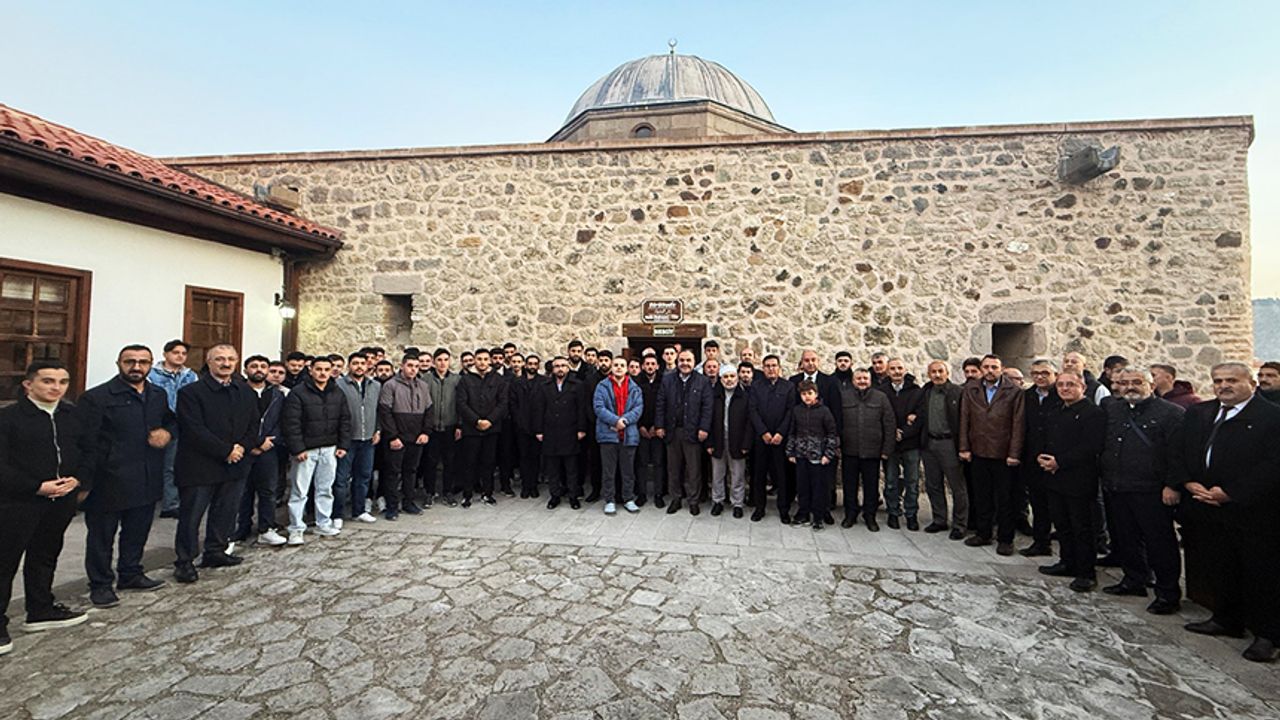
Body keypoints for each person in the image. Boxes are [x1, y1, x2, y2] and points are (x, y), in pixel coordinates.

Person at [1174, 362, 1280, 662]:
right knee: (1220, 566)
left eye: (1232, 380)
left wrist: (1232, 492)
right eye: (1218, 380)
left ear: (1251, 383)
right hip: (1206, 506)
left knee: (1261, 573)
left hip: (1253, 511)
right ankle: (1226, 618)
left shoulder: (1272, 417)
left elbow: (1273, 465)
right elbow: (1180, 449)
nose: (1224, 386)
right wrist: (1188, 482)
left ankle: (1268, 635)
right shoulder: (1200, 412)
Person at [0, 361, 89, 655]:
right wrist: (35, 486)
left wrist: (78, 478)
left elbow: (88, 450)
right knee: (5, 561)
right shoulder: (8, 418)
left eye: (62, 382)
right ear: (29, 384)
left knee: (45, 555)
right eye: (48, 381)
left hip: (61, 499)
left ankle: (40, 609)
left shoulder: (72, 415)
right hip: (18, 502)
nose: (56, 388)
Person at [78, 345, 175, 608]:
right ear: (119, 363)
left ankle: (131, 573)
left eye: (143, 362)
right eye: (130, 361)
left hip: (146, 475)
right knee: (101, 537)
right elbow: (85, 442)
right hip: (108, 479)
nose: (136, 367)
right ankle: (100, 584)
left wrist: (166, 433)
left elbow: (170, 421)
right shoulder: (97, 397)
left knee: (137, 530)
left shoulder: (157, 395)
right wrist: (84, 482)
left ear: (151, 364)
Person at [1100, 369, 1185, 614]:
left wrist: (1173, 485)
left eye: (1137, 382)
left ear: (1151, 384)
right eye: (1124, 383)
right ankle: (1134, 579)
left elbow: (1178, 453)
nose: (1130, 387)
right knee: (1126, 538)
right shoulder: (1113, 409)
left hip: (1152, 489)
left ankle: (1167, 594)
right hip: (1118, 485)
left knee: (1160, 543)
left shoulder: (1171, 413)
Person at [172, 344, 258, 583]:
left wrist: (241, 447)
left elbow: (254, 424)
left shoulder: (246, 392)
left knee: (226, 511)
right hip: (200, 465)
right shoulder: (191, 392)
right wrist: (226, 450)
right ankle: (185, 561)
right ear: (209, 362)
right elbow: (193, 429)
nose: (225, 363)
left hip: (235, 463)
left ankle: (216, 551)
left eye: (230, 359)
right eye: (219, 359)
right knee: (191, 517)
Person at [1035, 372, 1106, 592]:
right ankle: (1067, 562)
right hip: (1055, 477)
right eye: (1061, 385)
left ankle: (1086, 572)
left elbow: (1091, 446)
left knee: (1082, 527)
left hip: (1079, 479)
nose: (1065, 389)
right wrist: (1043, 458)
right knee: (1062, 524)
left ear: (1082, 387)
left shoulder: (1093, 413)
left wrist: (1060, 462)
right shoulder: (1057, 411)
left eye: (1071, 385)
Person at [958, 354, 1026, 555]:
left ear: (1001, 369)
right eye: (986, 367)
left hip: (1003, 453)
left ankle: (1005, 539)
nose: (990, 371)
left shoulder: (1014, 391)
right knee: (982, 496)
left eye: (994, 367)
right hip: (979, 450)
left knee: (1005, 499)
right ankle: (983, 533)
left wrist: (1014, 453)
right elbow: (964, 419)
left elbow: (1018, 424)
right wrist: (964, 447)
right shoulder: (971, 389)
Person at [281, 355, 352, 545]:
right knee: (299, 491)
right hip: (306, 450)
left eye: (326, 369)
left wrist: (343, 445)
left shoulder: (337, 392)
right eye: (318, 369)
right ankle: (296, 528)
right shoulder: (298, 393)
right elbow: (291, 423)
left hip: (329, 448)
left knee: (325, 489)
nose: (322, 373)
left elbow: (345, 420)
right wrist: (298, 448)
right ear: (311, 370)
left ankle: (323, 522)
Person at [233, 355, 288, 547]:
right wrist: (253, 443)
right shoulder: (237, 392)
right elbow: (234, 422)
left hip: (268, 448)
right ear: (245, 370)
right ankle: (242, 528)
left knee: (268, 491)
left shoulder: (277, 395)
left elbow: (282, 421)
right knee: (243, 491)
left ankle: (266, 528)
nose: (259, 369)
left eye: (263, 366)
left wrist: (270, 442)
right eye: (254, 366)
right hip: (243, 448)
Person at [656, 350, 713, 515]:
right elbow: (660, 404)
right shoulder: (667, 380)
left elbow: (707, 407)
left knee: (693, 470)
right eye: (682, 360)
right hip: (672, 431)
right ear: (677, 361)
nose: (685, 363)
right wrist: (659, 425)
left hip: (693, 432)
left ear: (694, 362)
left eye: (688, 360)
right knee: (673, 468)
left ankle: (693, 501)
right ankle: (676, 498)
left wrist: (704, 428)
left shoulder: (703, 381)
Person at [837, 369, 895, 531]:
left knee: (871, 486)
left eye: (865, 378)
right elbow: (836, 422)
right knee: (849, 485)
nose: (862, 381)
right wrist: (837, 445)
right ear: (853, 381)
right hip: (849, 450)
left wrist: (886, 449)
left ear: (870, 380)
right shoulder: (844, 397)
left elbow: (889, 423)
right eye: (859, 378)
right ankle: (850, 514)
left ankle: (870, 516)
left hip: (872, 451)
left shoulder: (880, 397)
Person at [917, 361, 968, 540]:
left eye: (940, 371)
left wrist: (963, 447)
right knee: (933, 484)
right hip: (929, 443)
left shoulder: (957, 392)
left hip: (949, 444)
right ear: (928, 374)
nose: (937, 375)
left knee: (957, 486)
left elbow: (965, 420)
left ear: (947, 373)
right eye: (933, 372)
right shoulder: (926, 392)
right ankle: (939, 519)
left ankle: (960, 524)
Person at [377, 354, 432, 519]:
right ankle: (392, 506)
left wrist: (425, 432)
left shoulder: (423, 386)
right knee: (393, 473)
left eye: (416, 366)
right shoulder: (390, 385)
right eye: (410, 366)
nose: (413, 369)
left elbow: (429, 410)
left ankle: (409, 502)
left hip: (416, 437)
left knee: (411, 471)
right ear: (402, 366)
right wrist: (392, 436)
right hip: (397, 437)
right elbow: (385, 412)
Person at [1016, 359, 1061, 557]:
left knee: (1058, 506)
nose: (1040, 377)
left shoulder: (1062, 395)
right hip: (1033, 458)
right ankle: (1041, 543)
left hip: (1057, 460)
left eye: (1045, 373)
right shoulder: (1027, 396)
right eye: (1035, 373)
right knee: (1038, 503)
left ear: (1055, 375)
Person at [148, 339, 197, 518]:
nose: (180, 356)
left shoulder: (190, 376)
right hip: (159, 423)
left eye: (183, 353)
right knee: (155, 464)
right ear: (166, 354)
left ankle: (172, 503)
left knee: (175, 464)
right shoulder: (152, 374)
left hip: (183, 423)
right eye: (176, 353)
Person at [534, 357, 588, 509]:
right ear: (552, 369)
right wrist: (539, 430)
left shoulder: (577, 385)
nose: (560, 369)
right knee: (553, 468)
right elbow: (539, 409)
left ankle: (573, 496)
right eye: (557, 366)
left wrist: (581, 429)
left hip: (570, 431)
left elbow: (581, 408)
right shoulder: (544, 386)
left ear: (568, 368)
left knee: (571, 468)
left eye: (563, 366)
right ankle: (554, 496)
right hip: (550, 431)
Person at [457, 348, 508, 507]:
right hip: (471, 428)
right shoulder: (465, 380)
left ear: (490, 361)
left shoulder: (498, 379)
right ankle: (467, 495)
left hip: (491, 429)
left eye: (486, 359)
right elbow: (461, 403)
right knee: (469, 462)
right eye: (479, 359)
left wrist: (490, 420)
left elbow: (503, 403)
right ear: (474, 360)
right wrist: (476, 421)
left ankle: (488, 493)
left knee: (489, 462)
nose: (482, 362)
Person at [787, 380, 840, 530]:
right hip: (801, 455)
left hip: (818, 456)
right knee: (802, 486)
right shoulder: (797, 410)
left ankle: (818, 516)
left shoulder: (824, 411)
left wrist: (828, 454)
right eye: (803, 394)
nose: (807, 397)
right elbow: (792, 432)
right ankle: (803, 513)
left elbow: (832, 434)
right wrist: (790, 451)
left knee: (818, 488)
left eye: (810, 393)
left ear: (816, 394)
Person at [594, 356, 644, 515]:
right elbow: (599, 407)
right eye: (616, 365)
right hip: (608, 434)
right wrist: (615, 421)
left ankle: (628, 498)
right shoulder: (602, 386)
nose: (619, 367)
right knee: (609, 471)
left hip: (629, 435)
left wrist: (625, 421)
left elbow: (638, 408)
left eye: (622, 365)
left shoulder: (635, 388)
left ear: (627, 368)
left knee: (628, 471)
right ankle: (609, 500)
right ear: (612, 367)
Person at [748, 355, 793, 522]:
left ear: (779, 367)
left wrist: (780, 433)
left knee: (782, 476)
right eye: (767, 366)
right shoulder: (756, 386)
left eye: (774, 365)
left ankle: (783, 509)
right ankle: (759, 508)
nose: (771, 369)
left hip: (781, 439)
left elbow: (790, 411)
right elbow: (753, 410)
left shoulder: (788, 387)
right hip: (762, 439)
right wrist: (763, 432)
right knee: (759, 475)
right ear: (763, 368)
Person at [882, 358, 924, 530]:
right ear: (887, 371)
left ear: (905, 370)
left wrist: (904, 432)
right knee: (891, 481)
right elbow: (881, 415)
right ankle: (893, 512)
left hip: (911, 443)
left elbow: (920, 415)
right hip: (890, 443)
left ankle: (911, 514)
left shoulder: (916, 391)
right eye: (893, 369)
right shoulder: (882, 391)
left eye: (900, 368)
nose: (897, 371)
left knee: (912, 482)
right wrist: (892, 433)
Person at [706, 365, 751, 518]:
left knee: (737, 474)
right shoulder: (714, 396)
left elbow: (749, 422)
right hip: (718, 439)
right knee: (717, 473)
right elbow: (708, 420)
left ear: (737, 378)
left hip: (737, 440)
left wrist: (746, 444)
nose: (729, 380)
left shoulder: (744, 397)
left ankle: (737, 503)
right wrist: (709, 442)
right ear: (721, 379)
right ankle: (718, 501)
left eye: (732, 376)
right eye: (726, 377)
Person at [421, 348, 462, 506]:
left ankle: (448, 492)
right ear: (433, 362)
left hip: (450, 426)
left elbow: (461, 403)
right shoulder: (425, 379)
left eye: (445, 359)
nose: (442, 363)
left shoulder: (457, 380)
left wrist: (459, 425)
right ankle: (429, 492)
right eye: (439, 360)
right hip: (431, 428)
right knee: (430, 462)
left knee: (449, 462)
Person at [635, 353, 665, 508]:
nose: (650, 366)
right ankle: (642, 494)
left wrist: (657, 425)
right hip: (640, 429)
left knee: (659, 462)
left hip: (658, 430)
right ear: (642, 366)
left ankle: (659, 494)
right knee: (642, 463)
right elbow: (633, 405)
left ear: (657, 366)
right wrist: (640, 425)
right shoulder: (635, 383)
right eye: (647, 364)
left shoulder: (664, 382)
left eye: (653, 364)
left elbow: (665, 405)